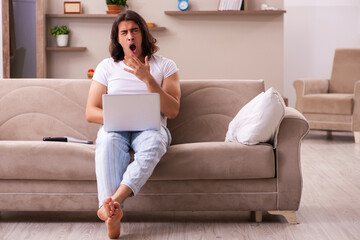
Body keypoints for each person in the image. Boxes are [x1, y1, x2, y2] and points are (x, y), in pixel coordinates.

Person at [85, 10, 180, 239]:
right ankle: (113, 217)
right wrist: (120, 117)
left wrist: (148, 79)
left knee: (156, 142)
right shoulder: (107, 67)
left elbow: (173, 110)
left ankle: (111, 205)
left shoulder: (165, 66)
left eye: (134, 31)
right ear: (118, 39)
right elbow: (90, 111)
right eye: (124, 32)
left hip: (150, 129)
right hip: (115, 128)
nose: (130, 36)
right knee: (106, 141)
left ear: (143, 35)